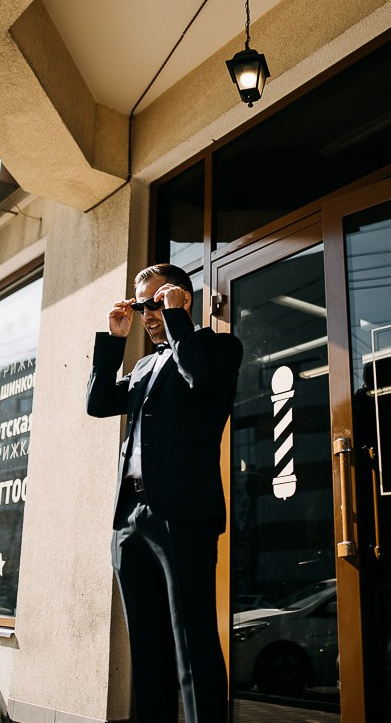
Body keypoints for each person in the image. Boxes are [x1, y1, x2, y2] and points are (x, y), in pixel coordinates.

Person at [87, 263, 243, 723]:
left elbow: (201, 379)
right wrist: (114, 340)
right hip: (130, 517)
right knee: (147, 647)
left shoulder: (217, 348)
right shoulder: (142, 366)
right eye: (142, 306)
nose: (147, 314)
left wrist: (177, 321)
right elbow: (97, 404)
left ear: (182, 299)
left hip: (182, 513)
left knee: (192, 643)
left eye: (156, 302)